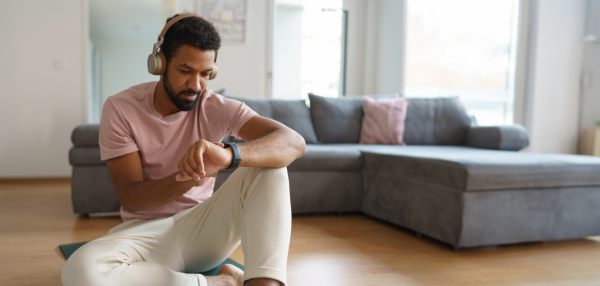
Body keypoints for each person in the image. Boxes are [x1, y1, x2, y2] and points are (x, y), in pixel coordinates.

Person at [61, 13, 305, 286]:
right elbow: (131, 198)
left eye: (205, 74)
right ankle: (221, 283)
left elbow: (293, 142)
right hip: (145, 235)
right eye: (185, 71)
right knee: (79, 270)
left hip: (203, 229)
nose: (196, 85)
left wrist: (228, 156)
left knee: (271, 168)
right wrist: (190, 176)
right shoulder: (121, 108)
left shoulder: (218, 107)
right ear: (160, 63)